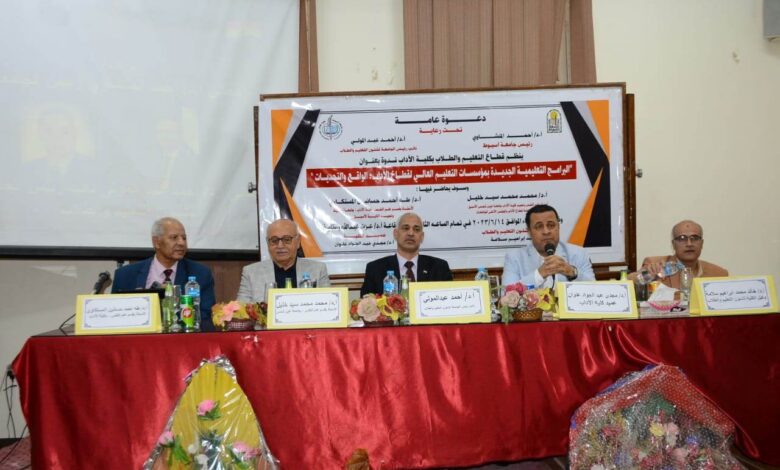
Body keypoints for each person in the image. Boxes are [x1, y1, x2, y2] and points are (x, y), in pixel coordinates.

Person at [112, 217, 216, 331]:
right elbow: (115, 318)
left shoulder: (200, 273)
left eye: (184, 238)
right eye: (174, 237)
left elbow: (205, 316)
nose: (181, 243)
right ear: (156, 242)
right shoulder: (125, 275)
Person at [360, 212, 453, 297]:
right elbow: (365, 305)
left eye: (416, 229)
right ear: (396, 234)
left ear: (422, 237)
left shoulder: (440, 268)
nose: (411, 233)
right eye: (406, 228)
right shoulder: (375, 269)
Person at [237, 219, 330, 302]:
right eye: (274, 240)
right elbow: (242, 310)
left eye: (287, 239)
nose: (280, 246)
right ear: (268, 243)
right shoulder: (251, 273)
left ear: (298, 242)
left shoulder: (318, 270)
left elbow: (328, 305)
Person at [502, 204, 595, 287]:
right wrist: (539, 274)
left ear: (558, 227)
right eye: (539, 226)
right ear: (529, 231)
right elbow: (507, 293)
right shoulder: (514, 258)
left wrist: (572, 272)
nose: (546, 232)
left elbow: (595, 289)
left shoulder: (579, 254)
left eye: (551, 225)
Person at [635, 220, 728, 289]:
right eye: (682, 238)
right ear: (673, 244)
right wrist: (647, 275)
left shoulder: (719, 274)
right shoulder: (656, 264)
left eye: (694, 238)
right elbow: (631, 282)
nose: (689, 244)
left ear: (702, 243)